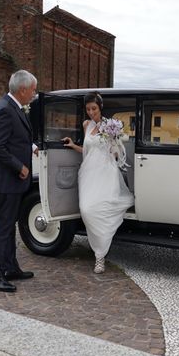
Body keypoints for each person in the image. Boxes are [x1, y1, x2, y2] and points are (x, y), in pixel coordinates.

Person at [62, 92, 134, 273]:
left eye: (94, 108)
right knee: (86, 210)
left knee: (100, 210)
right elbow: (87, 151)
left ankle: (99, 256)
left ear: (100, 108)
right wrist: (73, 145)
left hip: (106, 172)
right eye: (88, 109)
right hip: (88, 173)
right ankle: (100, 250)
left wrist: (115, 143)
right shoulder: (86, 125)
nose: (91, 112)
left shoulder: (110, 125)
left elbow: (116, 153)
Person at [0, 70, 37, 293]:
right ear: (23, 89)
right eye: (33, 90)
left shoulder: (14, 107)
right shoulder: (5, 110)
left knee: (9, 228)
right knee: (2, 228)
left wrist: (31, 148)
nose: (34, 94)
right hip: (6, 181)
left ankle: (10, 268)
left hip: (13, 182)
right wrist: (20, 166)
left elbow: (16, 139)